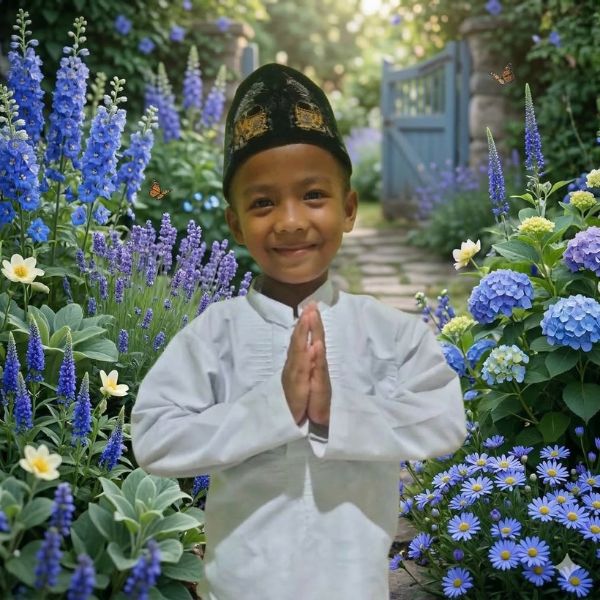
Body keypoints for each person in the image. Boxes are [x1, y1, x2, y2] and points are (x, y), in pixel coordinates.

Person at [131, 63, 467, 600]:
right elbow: (154, 438)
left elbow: (443, 421)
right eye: (263, 202)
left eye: (313, 195)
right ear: (236, 224)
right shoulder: (213, 335)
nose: (289, 220)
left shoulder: (392, 333)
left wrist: (337, 413)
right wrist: (275, 407)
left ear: (349, 209)